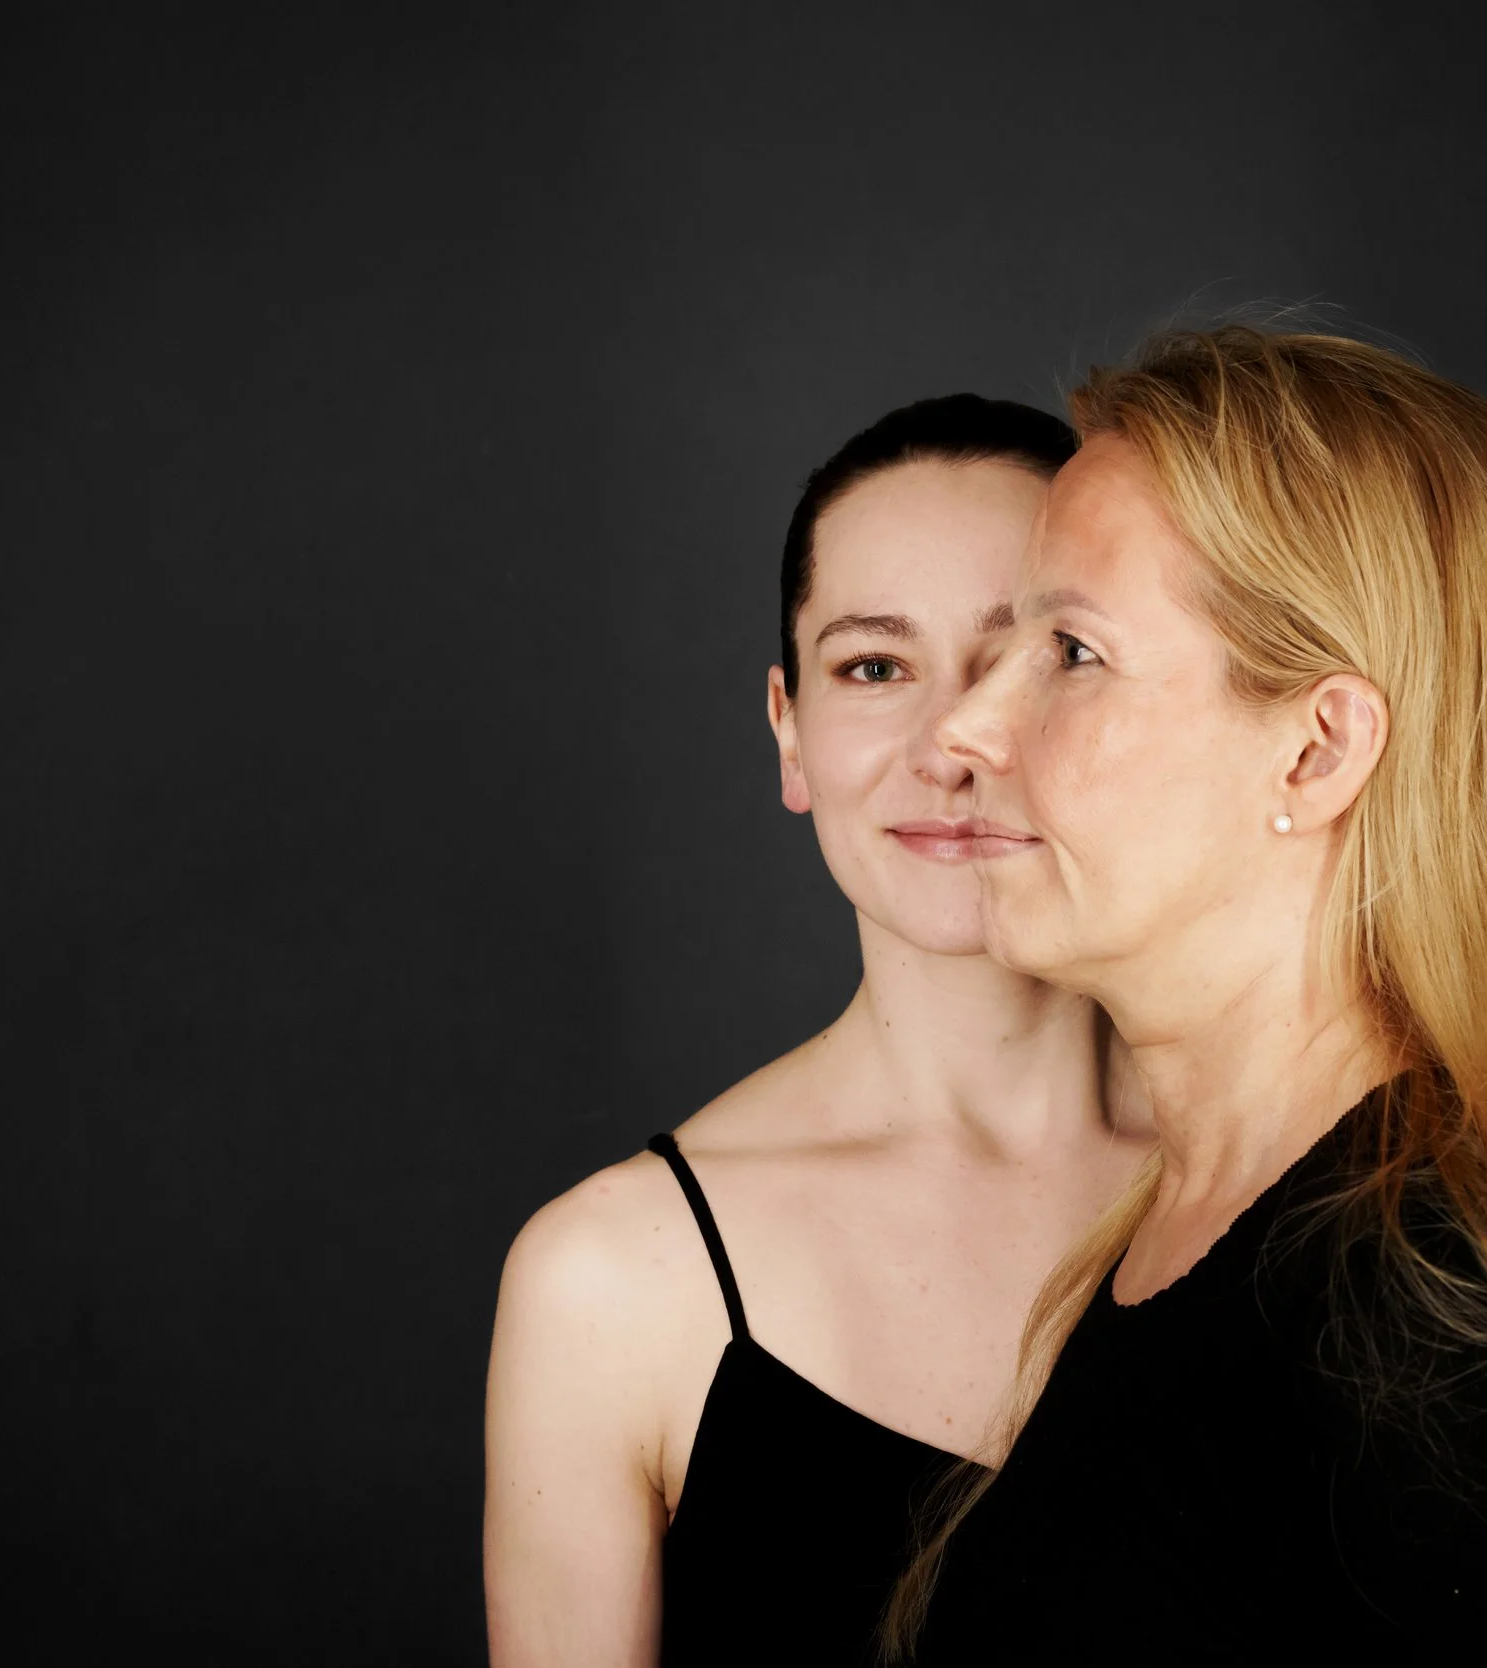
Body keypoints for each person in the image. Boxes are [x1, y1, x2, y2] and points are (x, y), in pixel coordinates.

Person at [896, 329, 1487, 1666]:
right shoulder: (1184, 1233)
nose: (961, 731)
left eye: (1072, 652)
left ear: (1318, 752)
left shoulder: (1434, 1331)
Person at [483, 396, 1154, 1667]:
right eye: (874, 668)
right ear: (787, 731)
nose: (952, 746)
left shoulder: (1317, 1188)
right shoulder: (609, 1281)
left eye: (1037, 654)